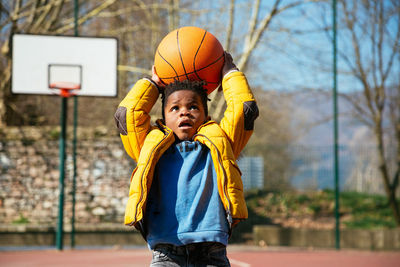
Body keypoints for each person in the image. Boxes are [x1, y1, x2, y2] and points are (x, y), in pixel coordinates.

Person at [114, 52, 259, 266]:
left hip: (211, 250)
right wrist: (153, 84)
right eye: (175, 108)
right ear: (163, 118)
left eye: (193, 107)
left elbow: (244, 110)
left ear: (205, 116)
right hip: (166, 252)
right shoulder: (150, 146)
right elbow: (127, 115)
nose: (184, 113)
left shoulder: (220, 142)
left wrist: (230, 75)